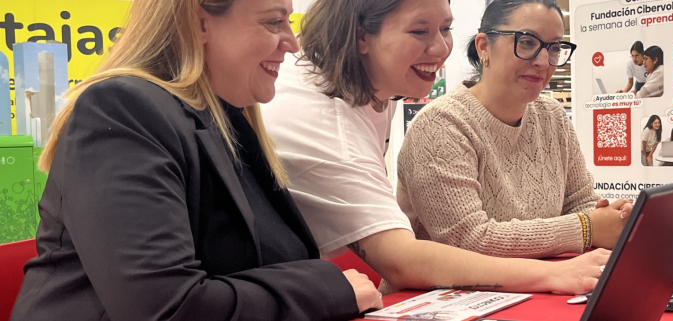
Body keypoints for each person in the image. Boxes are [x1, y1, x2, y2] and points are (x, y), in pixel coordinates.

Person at [11, 0, 380, 320]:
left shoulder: (228, 122)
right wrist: (325, 288)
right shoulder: (123, 109)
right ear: (199, 23)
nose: (292, 43)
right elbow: (165, 308)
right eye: (273, 22)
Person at [262, 0, 618, 296]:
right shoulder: (425, 124)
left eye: (445, 28)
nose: (441, 48)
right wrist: (579, 238)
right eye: (419, 31)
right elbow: (411, 257)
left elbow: (582, 203)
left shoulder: (378, 88)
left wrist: (606, 221)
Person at [395, 0, 631, 259]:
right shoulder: (440, 126)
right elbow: (468, 240)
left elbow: (580, 201)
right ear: (484, 47)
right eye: (527, 42)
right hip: (447, 285)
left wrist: (613, 217)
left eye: (554, 48)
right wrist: (586, 228)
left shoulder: (552, 117)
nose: (543, 61)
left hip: (545, 277)